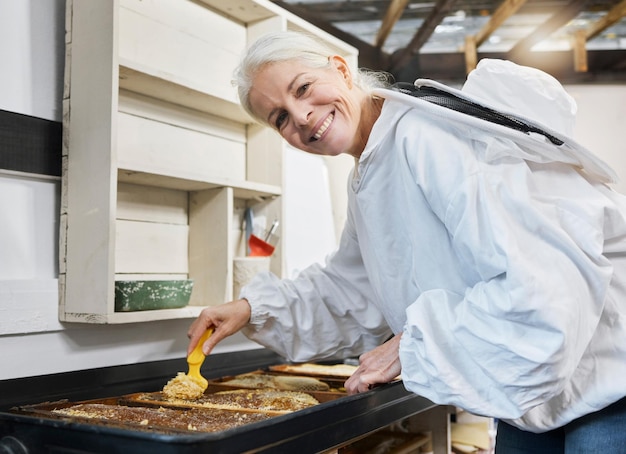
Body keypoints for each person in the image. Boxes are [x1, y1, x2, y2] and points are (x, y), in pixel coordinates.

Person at [187, 30, 626, 452]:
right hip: (537, 398)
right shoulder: (371, 168)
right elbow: (354, 289)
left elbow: (541, 283)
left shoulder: (427, 134)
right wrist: (251, 309)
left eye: (302, 88)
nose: (300, 117)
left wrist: (412, 345)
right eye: (279, 117)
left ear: (341, 69)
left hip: (606, 377)